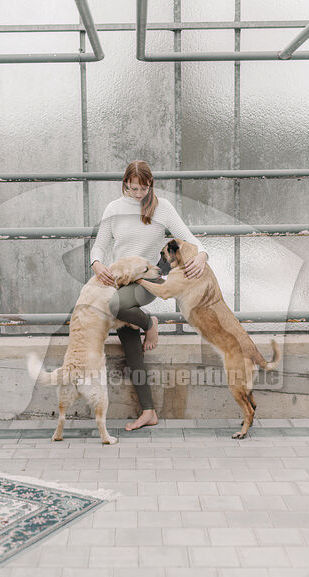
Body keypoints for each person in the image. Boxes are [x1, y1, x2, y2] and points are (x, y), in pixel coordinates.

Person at [90, 160, 208, 431]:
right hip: (119, 281)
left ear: (150, 184)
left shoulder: (162, 208)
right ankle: (149, 411)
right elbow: (98, 248)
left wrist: (202, 255)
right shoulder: (114, 209)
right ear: (125, 184)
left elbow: (191, 241)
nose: (137, 193)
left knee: (112, 305)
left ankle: (149, 323)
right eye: (132, 188)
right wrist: (96, 264)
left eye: (142, 188)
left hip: (147, 281)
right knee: (132, 350)